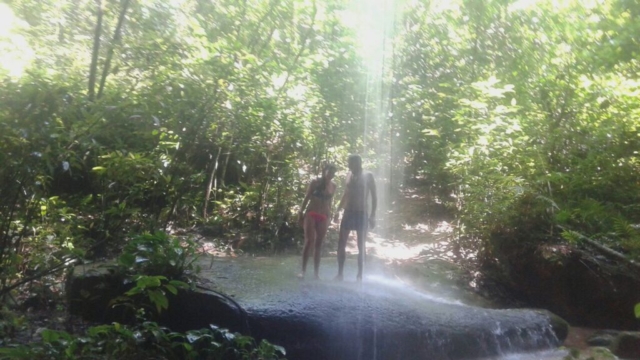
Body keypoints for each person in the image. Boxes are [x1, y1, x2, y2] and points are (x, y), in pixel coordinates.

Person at [333, 154, 377, 281]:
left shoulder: (368, 176)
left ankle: (359, 275)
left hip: (361, 213)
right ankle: (340, 273)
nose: (348, 165)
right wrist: (338, 209)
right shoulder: (349, 175)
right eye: (348, 163)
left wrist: (373, 215)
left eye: (350, 163)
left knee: (361, 245)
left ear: (358, 163)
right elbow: (346, 194)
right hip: (348, 212)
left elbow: (374, 196)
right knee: (341, 243)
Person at [297, 163, 338, 280]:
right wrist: (300, 212)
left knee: (319, 243)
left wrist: (330, 215)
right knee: (309, 241)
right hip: (312, 213)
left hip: (324, 215)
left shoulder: (333, 186)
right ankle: (303, 271)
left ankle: (316, 273)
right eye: (329, 171)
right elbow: (307, 197)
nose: (331, 174)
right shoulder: (315, 182)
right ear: (324, 171)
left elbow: (330, 202)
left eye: (333, 173)